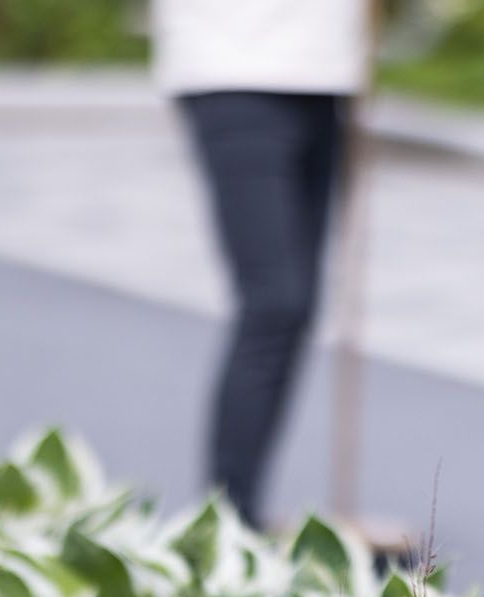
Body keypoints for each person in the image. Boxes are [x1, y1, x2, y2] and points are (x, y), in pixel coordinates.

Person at [154, 0, 369, 530]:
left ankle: (238, 515)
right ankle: (228, 520)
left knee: (296, 308)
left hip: (323, 77)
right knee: (275, 300)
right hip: (234, 67)